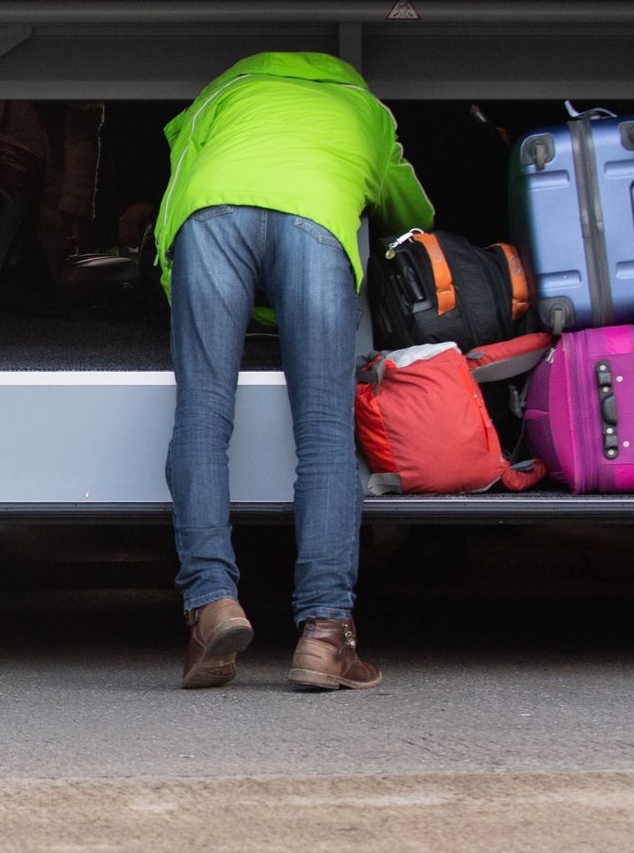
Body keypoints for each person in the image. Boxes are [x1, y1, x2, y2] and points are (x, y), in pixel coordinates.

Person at [153, 52, 433, 691]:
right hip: (314, 223)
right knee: (326, 435)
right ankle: (326, 634)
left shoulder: (225, 91)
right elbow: (412, 210)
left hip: (212, 215)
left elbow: (180, 168)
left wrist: (175, 279)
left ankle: (212, 603)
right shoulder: (367, 110)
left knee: (202, 415)